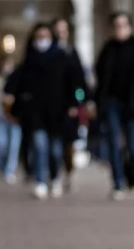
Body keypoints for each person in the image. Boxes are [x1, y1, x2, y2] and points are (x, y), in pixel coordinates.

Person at [5, 24, 74, 199]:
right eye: (38, 36)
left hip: (57, 112)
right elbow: (14, 85)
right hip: (34, 112)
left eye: (45, 36)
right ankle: (41, 181)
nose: (42, 40)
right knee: (39, 146)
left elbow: (74, 84)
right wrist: (15, 102)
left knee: (55, 149)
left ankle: (55, 178)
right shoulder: (28, 61)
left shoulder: (62, 59)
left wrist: (75, 103)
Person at [94, 12, 134, 200]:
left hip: (133, 104)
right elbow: (100, 76)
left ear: (129, 27)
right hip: (112, 102)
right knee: (114, 142)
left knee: (133, 147)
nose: (119, 29)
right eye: (116, 26)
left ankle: (133, 176)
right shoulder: (107, 49)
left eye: (123, 25)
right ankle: (118, 182)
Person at [52, 17, 90, 191]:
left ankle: (68, 172)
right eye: (58, 30)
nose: (61, 33)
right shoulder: (49, 53)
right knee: (53, 142)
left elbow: (79, 81)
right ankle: (54, 174)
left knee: (68, 142)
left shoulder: (72, 52)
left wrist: (79, 102)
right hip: (53, 106)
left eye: (64, 30)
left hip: (70, 107)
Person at [0, 56, 23, 184]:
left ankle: (9, 170)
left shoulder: (18, 79)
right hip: (0, 117)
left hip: (14, 117)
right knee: (1, 144)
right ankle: (1, 166)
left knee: (13, 145)